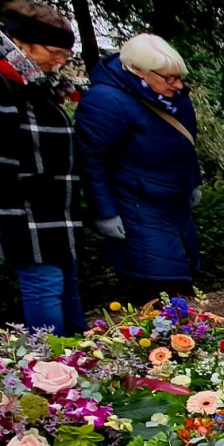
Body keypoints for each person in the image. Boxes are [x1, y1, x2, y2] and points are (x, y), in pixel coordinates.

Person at [0, 1, 86, 335]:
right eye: (54, 51)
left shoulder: (29, 73)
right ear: (23, 42)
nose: (61, 60)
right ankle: (55, 366)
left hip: (49, 200)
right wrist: (6, 219)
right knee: (44, 283)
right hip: (23, 205)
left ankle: (81, 358)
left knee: (67, 280)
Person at [74, 33, 201, 303]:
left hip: (174, 204)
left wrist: (193, 181)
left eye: (179, 77)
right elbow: (92, 162)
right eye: (168, 78)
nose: (177, 85)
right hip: (137, 205)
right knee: (158, 285)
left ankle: (183, 338)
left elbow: (186, 145)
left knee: (180, 278)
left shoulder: (176, 99)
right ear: (137, 71)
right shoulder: (105, 101)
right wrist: (106, 214)